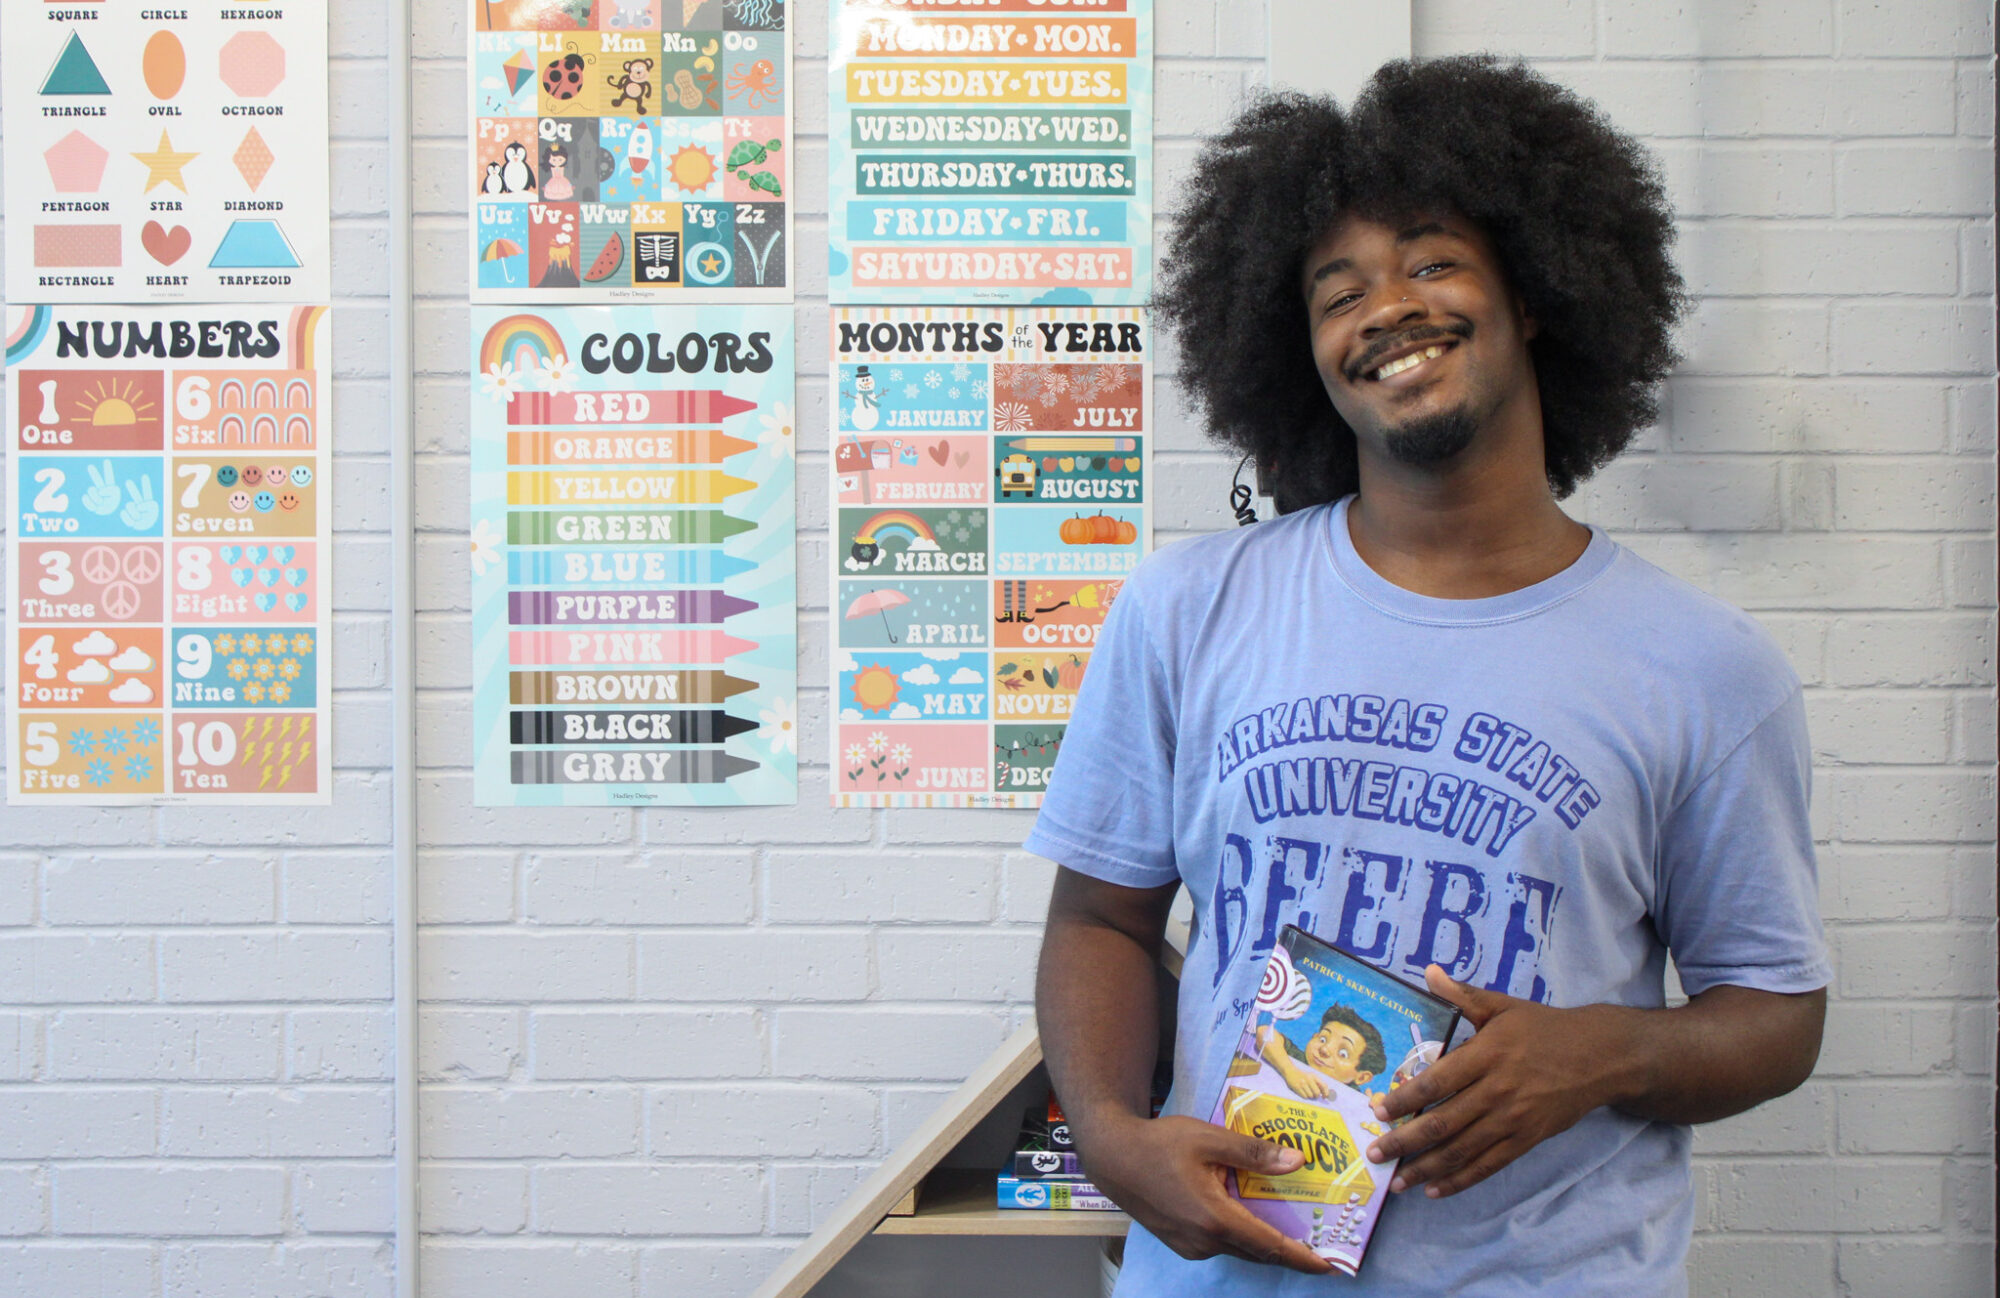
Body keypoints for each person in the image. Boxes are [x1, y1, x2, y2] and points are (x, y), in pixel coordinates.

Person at [1027, 57, 1829, 1296]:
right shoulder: (1186, 608)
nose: (1386, 309)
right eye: (1337, 291)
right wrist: (1111, 1139)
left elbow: (1773, 1012)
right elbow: (1099, 919)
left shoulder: (1705, 669)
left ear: (1535, 293)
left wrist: (1598, 1054)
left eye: (1431, 262)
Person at [1257, 1004, 1386, 1099]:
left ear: (1362, 1077)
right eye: (1323, 1039)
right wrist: (1290, 1072)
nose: (1324, 1049)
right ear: (1314, 1037)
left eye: (1343, 1054)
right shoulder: (1296, 1058)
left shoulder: (1353, 1093)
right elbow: (1264, 1032)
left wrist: (1375, 1105)